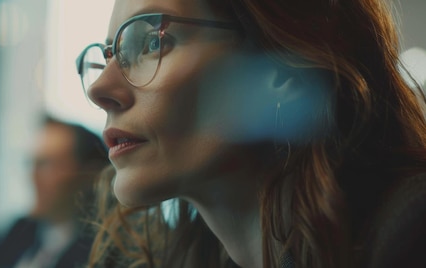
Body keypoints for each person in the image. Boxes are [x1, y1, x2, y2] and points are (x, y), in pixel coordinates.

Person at [75, 0, 426, 267]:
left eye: (151, 42)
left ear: (283, 68)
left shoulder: (410, 234)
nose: (100, 88)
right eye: (109, 55)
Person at [0, 117, 109, 268]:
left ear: (89, 176)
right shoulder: (12, 234)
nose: (33, 176)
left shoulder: (106, 249)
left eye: (46, 165)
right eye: (32, 164)